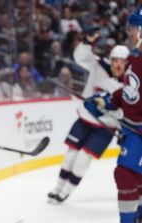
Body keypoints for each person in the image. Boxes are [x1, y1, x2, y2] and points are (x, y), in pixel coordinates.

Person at [47, 28, 129, 204]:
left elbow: (128, 109)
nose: (118, 65)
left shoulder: (130, 83)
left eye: (122, 61)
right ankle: (58, 187)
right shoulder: (100, 65)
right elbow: (81, 58)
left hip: (106, 128)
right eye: (115, 60)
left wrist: (124, 130)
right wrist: (85, 42)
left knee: (83, 159)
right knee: (70, 155)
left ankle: (66, 191)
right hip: (85, 119)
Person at [84, 8, 142, 223]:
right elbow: (130, 92)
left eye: (133, 28)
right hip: (133, 130)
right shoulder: (135, 57)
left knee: (126, 173)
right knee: (133, 175)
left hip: (138, 131)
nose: (129, 32)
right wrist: (108, 100)